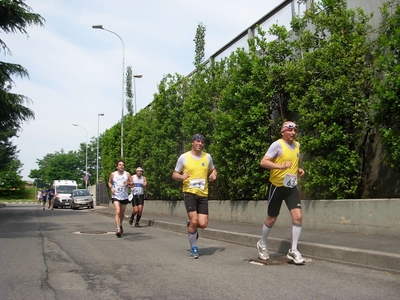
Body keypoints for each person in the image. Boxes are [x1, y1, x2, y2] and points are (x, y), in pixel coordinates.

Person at [257, 121, 306, 265]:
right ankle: (262, 244)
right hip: (277, 186)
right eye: (290, 130)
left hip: (291, 186)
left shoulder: (297, 145)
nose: (293, 133)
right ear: (283, 132)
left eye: (295, 131)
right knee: (271, 218)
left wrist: (298, 169)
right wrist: (281, 166)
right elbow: (263, 162)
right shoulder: (277, 145)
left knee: (298, 216)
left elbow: (292, 162)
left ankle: (293, 250)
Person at [172, 134, 217, 259]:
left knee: (202, 224)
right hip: (189, 193)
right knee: (195, 220)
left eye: (202, 142)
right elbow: (174, 174)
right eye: (197, 141)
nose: (200, 144)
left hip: (203, 194)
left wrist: (214, 175)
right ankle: (194, 248)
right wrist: (181, 177)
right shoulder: (184, 157)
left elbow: (213, 170)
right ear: (192, 143)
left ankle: (190, 225)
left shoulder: (207, 157)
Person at [108, 160, 133, 237]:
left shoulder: (127, 174)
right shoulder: (113, 174)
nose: (121, 166)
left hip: (124, 196)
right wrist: (111, 188)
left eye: (122, 165)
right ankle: (118, 229)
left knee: (122, 213)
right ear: (117, 166)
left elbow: (132, 183)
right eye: (120, 165)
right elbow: (109, 182)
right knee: (117, 212)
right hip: (116, 196)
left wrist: (128, 183)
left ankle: (121, 224)